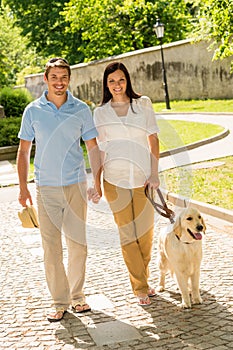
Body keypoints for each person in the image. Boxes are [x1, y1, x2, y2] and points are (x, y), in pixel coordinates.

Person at [17, 57, 101, 322]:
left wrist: (97, 181)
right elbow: (23, 150)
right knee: (51, 248)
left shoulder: (81, 109)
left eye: (63, 77)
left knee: (78, 246)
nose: (59, 82)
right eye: (54, 77)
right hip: (46, 189)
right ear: (46, 79)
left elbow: (93, 147)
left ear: (69, 79)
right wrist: (22, 187)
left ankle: (77, 297)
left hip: (75, 184)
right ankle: (59, 301)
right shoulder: (32, 110)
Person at [93, 62, 160, 306]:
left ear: (127, 80)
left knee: (145, 234)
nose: (117, 85)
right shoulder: (100, 112)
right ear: (106, 85)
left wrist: (155, 174)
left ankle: (143, 278)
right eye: (111, 81)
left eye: (120, 80)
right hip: (115, 180)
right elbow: (99, 151)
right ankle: (140, 287)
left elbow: (154, 141)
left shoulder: (143, 105)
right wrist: (97, 182)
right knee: (127, 235)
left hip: (143, 179)